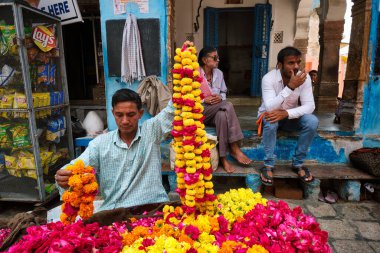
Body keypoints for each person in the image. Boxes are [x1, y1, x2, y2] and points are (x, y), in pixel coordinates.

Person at [55, 88, 174, 211]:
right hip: (115, 212)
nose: (125, 121)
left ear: (140, 114)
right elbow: (74, 167)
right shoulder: (100, 144)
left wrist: (189, 76)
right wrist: (63, 176)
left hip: (153, 209)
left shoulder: (151, 131)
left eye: (131, 115)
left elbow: (172, 110)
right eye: (119, 115)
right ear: (113, 113)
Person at [257, 46, 319, 186]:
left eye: (298, 62)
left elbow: (310, 106)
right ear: (280, 65)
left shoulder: (305, 78)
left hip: (290, 117)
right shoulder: (268, 79)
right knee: (270, 118)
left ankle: (298, 164)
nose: (296, 66)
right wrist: (290, 87)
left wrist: (286, 113)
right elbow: (270, 107)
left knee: (312, 121)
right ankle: (268, 165)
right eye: (291, 63)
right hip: (271, 116)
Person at [198, 47, 252, 173]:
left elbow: (223, 93)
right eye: (215, 57)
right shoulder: (195, 74)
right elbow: (186, 97)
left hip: (216, 110)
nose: (218, 60)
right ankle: (234, 147)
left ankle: (223, 158)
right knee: (228, 105)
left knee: (222, 116)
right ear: (205, 60)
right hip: (201, 112)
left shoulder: (219, 74)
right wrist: (203, 100)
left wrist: (219, 97)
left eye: (218, 57)